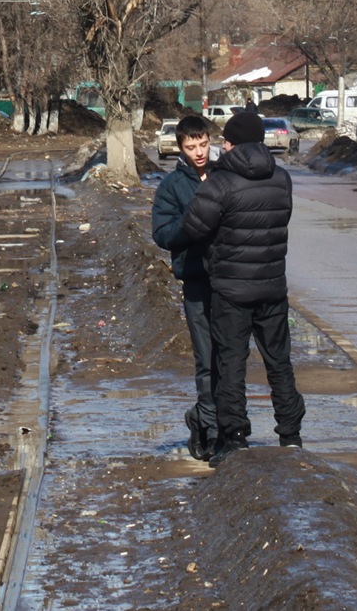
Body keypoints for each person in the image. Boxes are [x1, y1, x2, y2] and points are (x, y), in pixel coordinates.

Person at [180, 108, 306, 464]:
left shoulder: (221, 181)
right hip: (272, 288)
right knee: (279, 362)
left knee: (231, 363)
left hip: (231, 291)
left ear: (231, 143)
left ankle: (235, 437)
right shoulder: (282, 179)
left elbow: (193, 227)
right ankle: (291, 434)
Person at [151, 114, 220, 461]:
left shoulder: (225, 176)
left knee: (231, 357)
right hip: (196, 281)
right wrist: (188, 226)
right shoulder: (172, 187)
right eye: (191, 147)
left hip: (230, 282)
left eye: (203, 144)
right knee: (207, 358)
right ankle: (207, 425)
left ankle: (229, 423)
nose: (199, 152)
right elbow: (162, 233)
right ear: (180, 148)